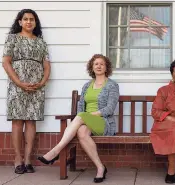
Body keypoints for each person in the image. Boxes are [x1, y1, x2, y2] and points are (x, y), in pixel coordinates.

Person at [38, 54, 119, 183]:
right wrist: (84, 117)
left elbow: (110, 108)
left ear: (106, 67)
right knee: (81, 132)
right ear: (91, 67)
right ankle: (100, 168)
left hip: (103, 123)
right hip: (85, 121)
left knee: (80, 116)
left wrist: (88, 116)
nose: (99, 66)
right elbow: (81, 107)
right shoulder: (87, 86)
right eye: (96, 64)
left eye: (102, 64)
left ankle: (56, 151)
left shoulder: (112, 85)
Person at [2, 9, 51, 174]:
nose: (29, 22)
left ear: (35, 23)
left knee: (31, 121)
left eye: (32, 19)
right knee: (17, 121)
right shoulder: (12, 39)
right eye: (26, 19)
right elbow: (6, 63)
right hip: (17, 86)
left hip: (36, 87)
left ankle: (28, 160)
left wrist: (42, 83)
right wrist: (20, 83)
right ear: (20, 22)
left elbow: (47, 65)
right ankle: (18, 160)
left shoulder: (41, 42)